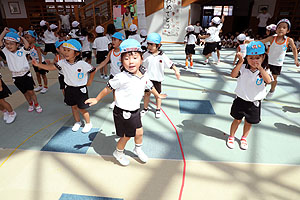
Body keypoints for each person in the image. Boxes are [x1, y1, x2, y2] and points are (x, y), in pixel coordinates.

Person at [85, 39, 166, 166]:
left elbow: (149, 85)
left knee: (139, 132)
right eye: (127, 58)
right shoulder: (121, 77)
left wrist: (157, 95)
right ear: (121, 61)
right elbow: (108, 88)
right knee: (126, 136)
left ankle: (137, 149)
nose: (131, 61)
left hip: (135, 110)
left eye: (134, 57)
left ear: (141, 59)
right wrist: (96, 99)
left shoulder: (143, 74)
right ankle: (118, 152)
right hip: (122, 112)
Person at [32, 39, 96, 133]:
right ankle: (77, 122)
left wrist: (89, 81)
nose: (65, 52)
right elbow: (51, 67)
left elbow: (93, 70)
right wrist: (38, 65)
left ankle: (88, 123)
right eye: (64, 50)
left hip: (80, 90)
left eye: (69, 50)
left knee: (82, 108)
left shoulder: (82, 64)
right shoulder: (62, 63)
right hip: (69, 88)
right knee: (73, 107)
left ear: (77, 53)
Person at [228, 41, 273, 150]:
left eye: (257, 58)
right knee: (237, 120)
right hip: (240, 100)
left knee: (249, 122)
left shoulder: (265, 70)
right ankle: (231, 136)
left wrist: (260, 68)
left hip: (254, 103)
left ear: (263, 57)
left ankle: (244, 138)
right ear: (247, 57)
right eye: (251, 58)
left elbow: (268, 81)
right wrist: (240, 62)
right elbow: (233, 75)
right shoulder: (243, 67)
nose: (254, 61)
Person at [0, 28, 43, 113]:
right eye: (7, 43)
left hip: (26, 75)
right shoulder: (6, 52)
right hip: (16, 76)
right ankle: (30, 104)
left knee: (31, 92)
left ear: (17, 44)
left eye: (11, 44)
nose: (9, 46)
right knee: (25, 93)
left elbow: (27, 45)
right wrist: (4, 32)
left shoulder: (22, 51)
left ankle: (37, 104)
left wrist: (21, 37)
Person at [140, 33, 180, 118]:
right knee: (146, 94)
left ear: (158, 45)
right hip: (147, 79)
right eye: (148, 44)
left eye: (151, 44)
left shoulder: (162, 55)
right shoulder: (145, 54)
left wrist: (176, 70)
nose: (149, 46)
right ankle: (145, 108)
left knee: (157, 95)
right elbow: (140, 63)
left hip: (157, 79)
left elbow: (170, 64)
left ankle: (158, 109)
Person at [258, 19, 299, 98]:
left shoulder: (288, 40)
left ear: (288, 30)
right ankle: (261, 90)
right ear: (276, 29)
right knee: (264, 76)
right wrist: (250, 42)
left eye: (284, 27)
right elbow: (261, 41)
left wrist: (296, 59)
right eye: (279, 27)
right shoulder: (272, 38)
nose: (281, 29)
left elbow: (294, 49)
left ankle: (272, 89)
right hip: (268, 61)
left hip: (277, 63)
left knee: (274, 78)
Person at [96, 32, 125, 109]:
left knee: (123, 90)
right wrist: (96, 69)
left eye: (115, 40)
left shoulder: (123, 52)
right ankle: (115, 101)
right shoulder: (111, 52)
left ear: (120, 41)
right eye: (112, 39)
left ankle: (123, 102)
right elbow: (105, 62)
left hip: (122, 75)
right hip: (113, 74)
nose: (113, 41)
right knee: (114, 89)